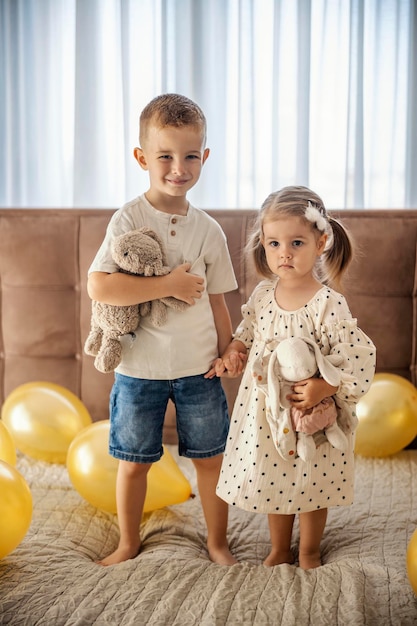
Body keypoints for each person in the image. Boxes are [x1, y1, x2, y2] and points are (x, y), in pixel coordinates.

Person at [87, 93, 238, 566]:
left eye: (191, 155)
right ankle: (128, 542)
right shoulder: (128, 219)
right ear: (142, 158)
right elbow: (100, 286)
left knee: (210, 461)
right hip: (138, 370)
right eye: (165, 156)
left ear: (204, 157)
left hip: (200, 371)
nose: (179, 167)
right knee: (133, 464)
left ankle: (217, 543)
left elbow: (218, 300)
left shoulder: (209, 231)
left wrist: (231, 347)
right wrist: (167, 283)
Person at [210, 185, 376, 570]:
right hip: (269, 413)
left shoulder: (328, 304)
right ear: (263, 246)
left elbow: (357, 354)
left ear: (321, 243)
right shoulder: (264, 295)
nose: (284, 253)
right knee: (276, 476)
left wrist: (327, 384)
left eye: (296, 242)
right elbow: (247, 333)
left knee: (312, 480)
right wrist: (234, 350)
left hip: (312, 413)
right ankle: (279, 548)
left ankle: (309, 550)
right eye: (274, 243)